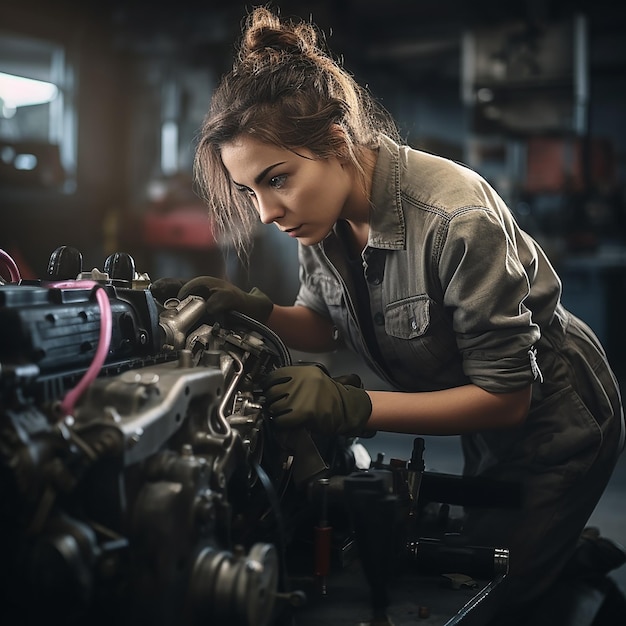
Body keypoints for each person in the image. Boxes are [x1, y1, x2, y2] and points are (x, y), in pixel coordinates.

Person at [150, 6, 625, 624]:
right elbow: (323, 323)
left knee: (499, 589)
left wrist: (357, 407)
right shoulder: (321, 214)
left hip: (554, 417)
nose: (267, 210)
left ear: (340, 143)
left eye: (277, 179)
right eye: (250, 191)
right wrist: (253, 310)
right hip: (474, 403)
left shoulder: (456, 220)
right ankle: (557, 553)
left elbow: (507, 398)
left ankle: (564, 567)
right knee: (477, 539)